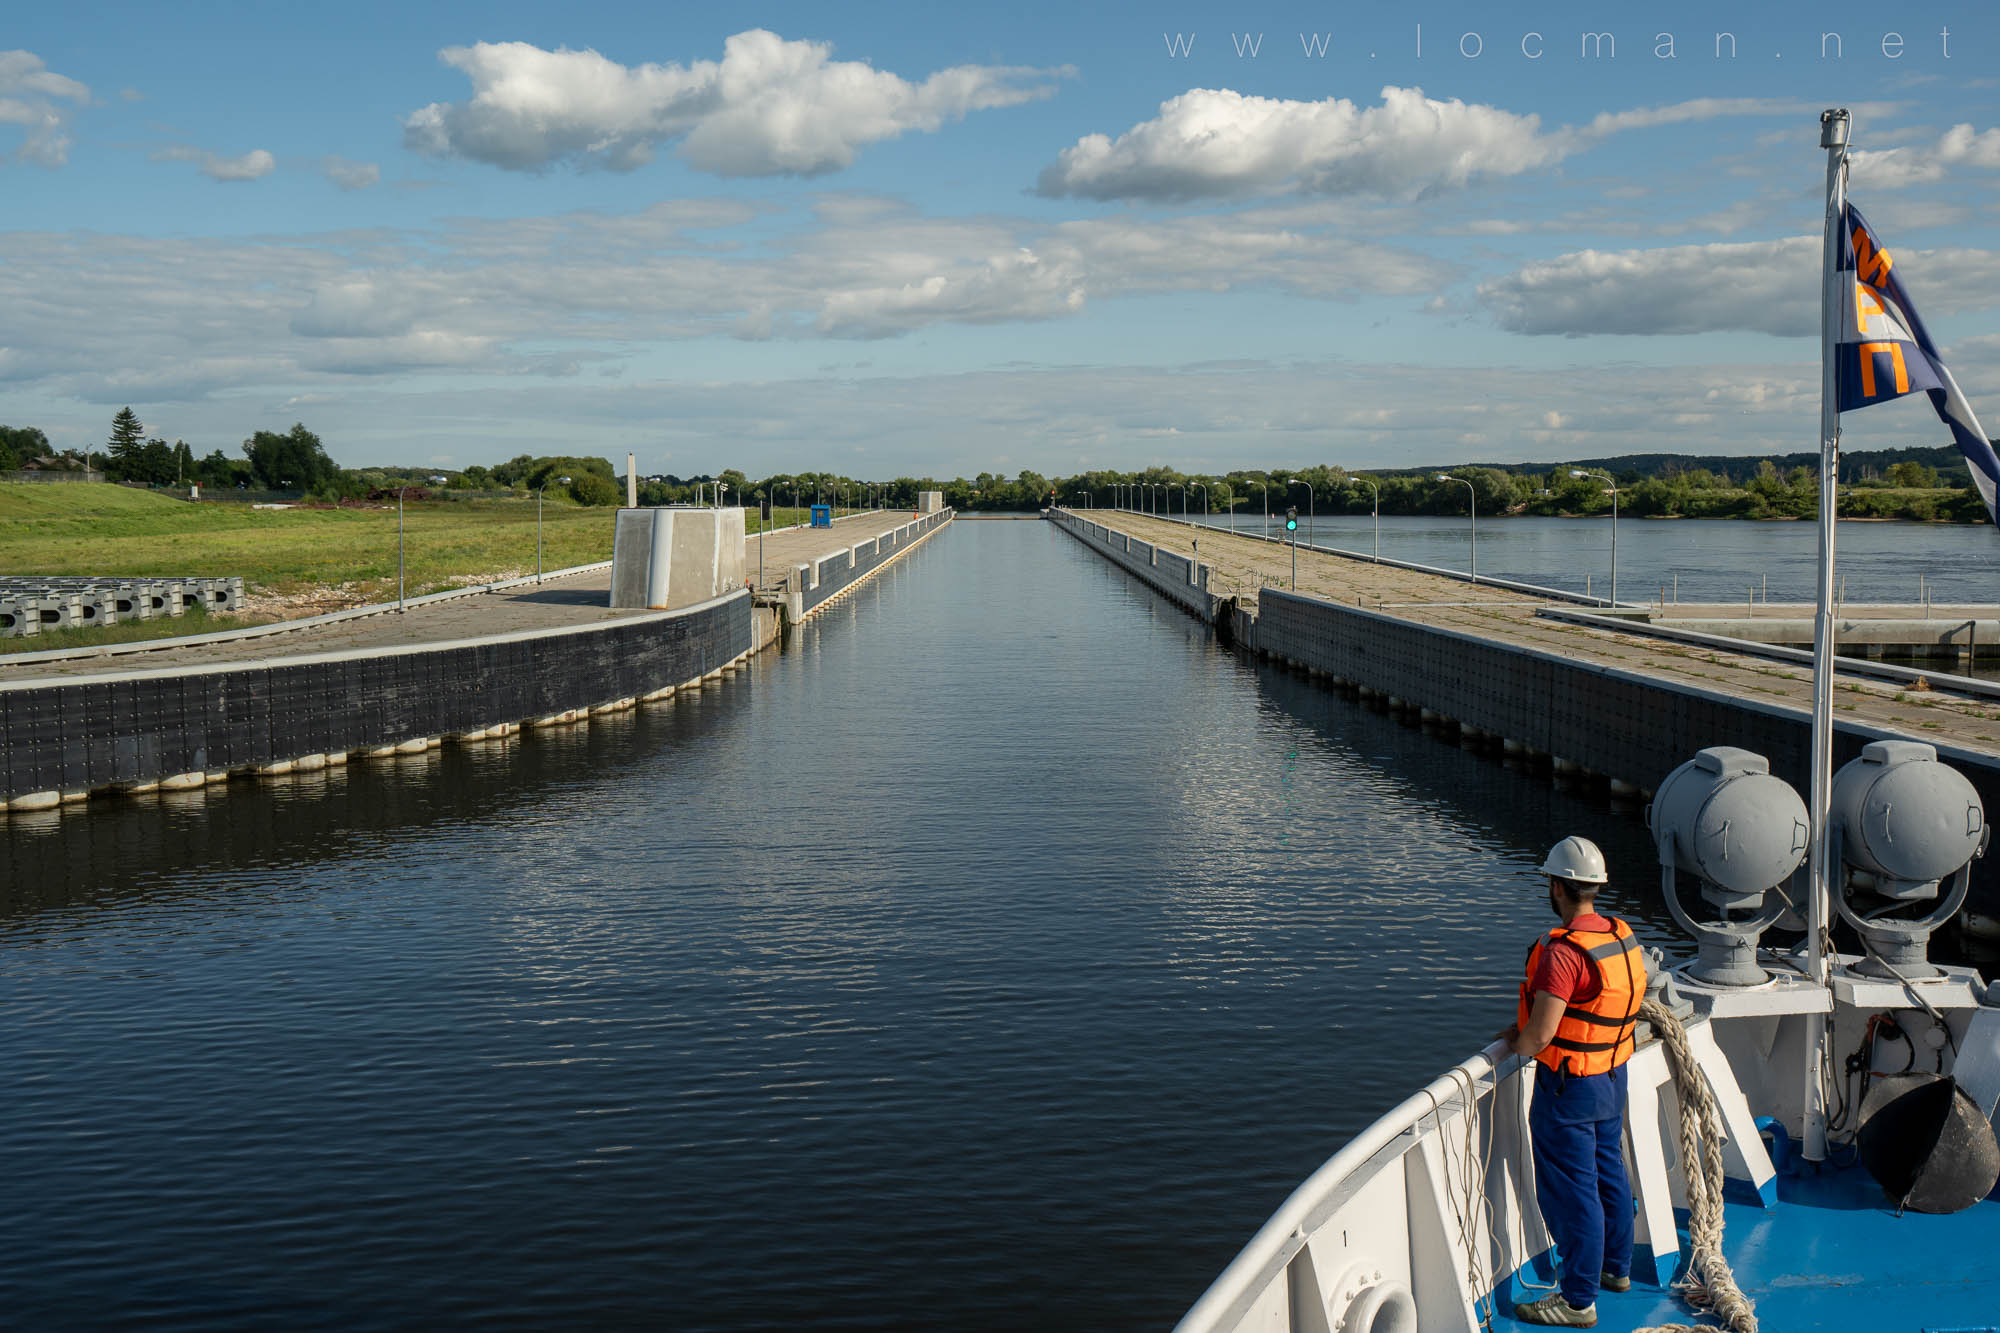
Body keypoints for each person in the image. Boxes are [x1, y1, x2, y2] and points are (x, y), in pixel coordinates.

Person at [1503, 835, 1647, 1329]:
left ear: (1558, 887)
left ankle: (1578, 1300)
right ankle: (1616, 1270)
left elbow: (1540, 1034)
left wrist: (1516, 1043)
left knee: (1573, 1189)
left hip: (1568, 1088)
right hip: (1611, 1075)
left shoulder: (1563, 954)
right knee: (1610, 1173)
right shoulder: (1620, 933)